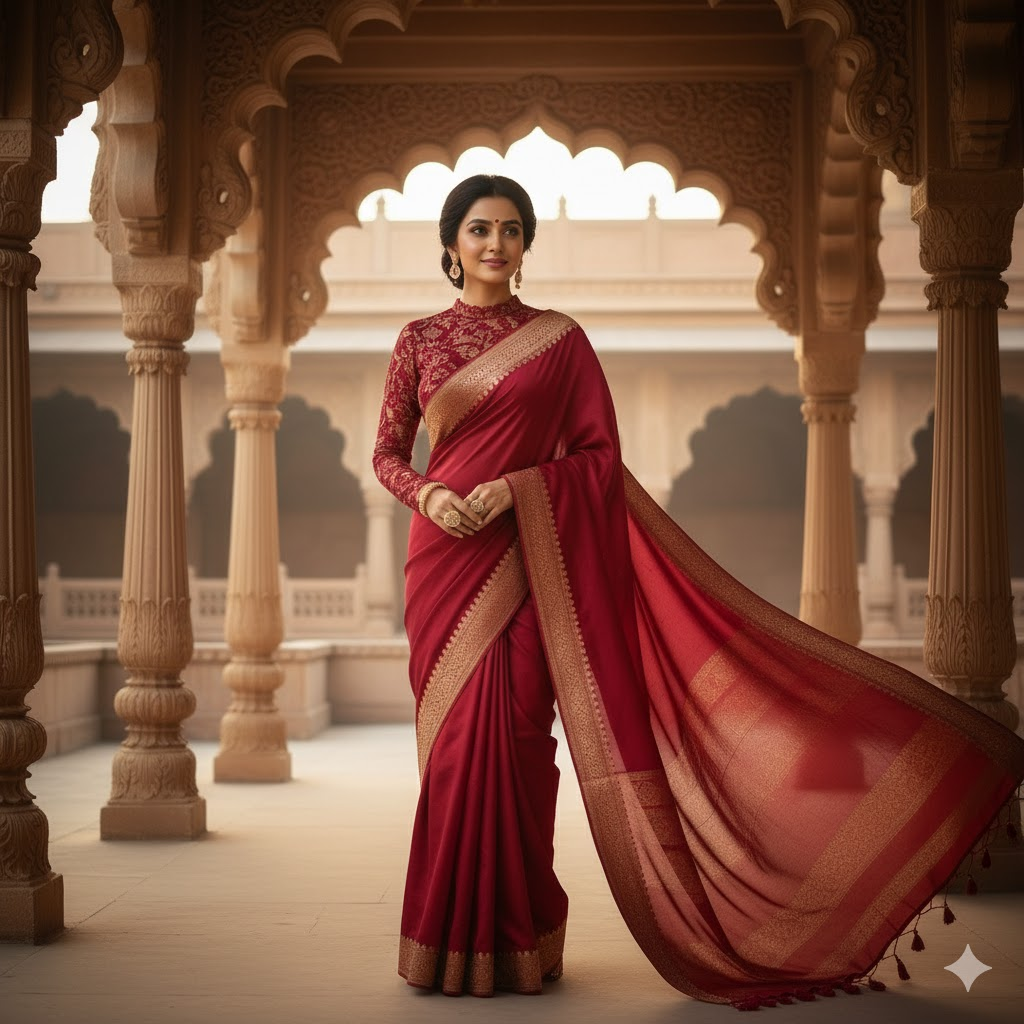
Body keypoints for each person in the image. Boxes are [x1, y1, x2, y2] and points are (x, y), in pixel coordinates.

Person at [372, 174, 1024, 1007]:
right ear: (451, 243)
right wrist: (426, 493)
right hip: (444, 565)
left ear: (526, 246)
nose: (494, 244)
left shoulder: (559, 342)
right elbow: (388, 450)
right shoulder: (419, 340)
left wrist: (516, 488)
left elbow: (599, 459)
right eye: (478, 230)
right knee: (458, 755)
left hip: (529, 565)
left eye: (509, 230)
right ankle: (445, 943)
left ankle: (514, 940)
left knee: (522, 749)